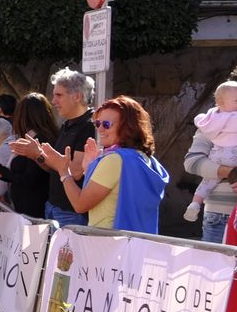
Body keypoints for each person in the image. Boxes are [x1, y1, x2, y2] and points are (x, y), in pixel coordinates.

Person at [44, 96, 168, 232]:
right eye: (97, 124)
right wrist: (90, 169)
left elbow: (80, 204)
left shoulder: (114, 160)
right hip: (136, 243)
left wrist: (63, 171)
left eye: (106, 124)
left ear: (128, 127)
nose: (100, 129)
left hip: (108, 244)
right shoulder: (146, 159)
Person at [10, 68, 95, 226]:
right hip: (53, 206)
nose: (53, 101)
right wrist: (37, 155)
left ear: (77, 96)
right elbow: (54, 168)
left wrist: (39, 154)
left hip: (70, 213)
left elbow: (75, 172)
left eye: (59, 95)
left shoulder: (89, 126)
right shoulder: (67, 125)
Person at [184, 81, 237, 225]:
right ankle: (195, 204)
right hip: (218, 213)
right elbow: (192, 162)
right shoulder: (210, 124)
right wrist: (229, 172)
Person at [1, 93, 58, 219]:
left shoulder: (41, 140)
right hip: (25, 208)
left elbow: (31, 179)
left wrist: (2, 172)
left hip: (33, 210)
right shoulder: (34, 137)